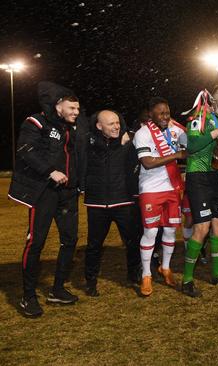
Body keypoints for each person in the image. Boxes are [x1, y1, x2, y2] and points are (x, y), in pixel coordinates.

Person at [9, 82, 81, 317]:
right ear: (58, 105)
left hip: (68, 194)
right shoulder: (36, 122)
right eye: (72, 108)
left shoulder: (72, 128)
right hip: (44, 192)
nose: (76, 112)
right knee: (36, 243)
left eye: (78, 109)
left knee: (70, 240)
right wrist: (50, 170)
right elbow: (26, 149)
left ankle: (57, 289)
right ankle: (28, 296)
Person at [181, 89, 218, 297]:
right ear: (212, 99)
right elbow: (193, 145)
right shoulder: (199, 117)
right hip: (197, 176)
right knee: (202, 227)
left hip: (215, 175)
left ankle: (217, 273)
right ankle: (187, 279)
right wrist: (216, 132)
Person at [80, 110, 141, 296]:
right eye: (111, 124)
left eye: (117, 122)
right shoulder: (87, 143)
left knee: (132, 242)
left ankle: (134, 274)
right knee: (94, 245)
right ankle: (90, 281)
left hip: (124, 202)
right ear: (99, 126)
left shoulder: (128, 143)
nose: (116, 126)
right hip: (97, 204)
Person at [133, 97, 187, 297]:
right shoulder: (143, 134)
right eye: (161, 113)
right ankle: (146, 274)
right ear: (151, 115)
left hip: (172, 188)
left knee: (171, 231)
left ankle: (165, 267)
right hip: (151, 190)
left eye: (167, 112)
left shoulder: (175, 129)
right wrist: (176, 155)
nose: (165, 116)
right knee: (151, 232)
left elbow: (192, 141)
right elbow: (147, 162)